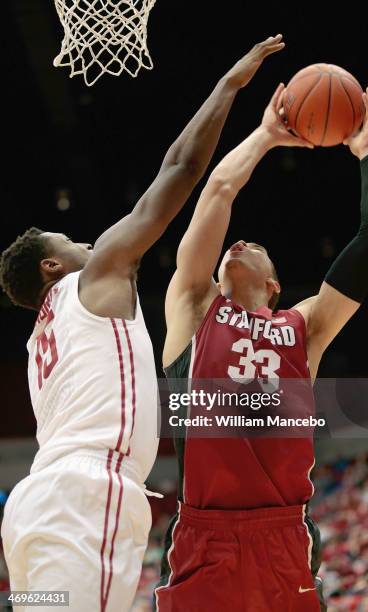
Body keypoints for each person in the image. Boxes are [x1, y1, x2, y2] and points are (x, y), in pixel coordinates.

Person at [0, 35, 286, 612]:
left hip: (45, 504)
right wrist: (229, 85)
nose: (88, 242)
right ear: (52, 267)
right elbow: (178, 169)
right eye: (72, 242)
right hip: (85, 495)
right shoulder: (93, 277)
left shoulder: (40, 341)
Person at [155, 84, 368, 612]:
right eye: (235, 244)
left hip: (283, 534)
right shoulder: (195, 307)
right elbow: (218, 191)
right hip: (204, 534)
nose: (239, 242)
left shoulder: (305, 326)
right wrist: (265, 136)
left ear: (274, 286)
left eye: (256, 246)